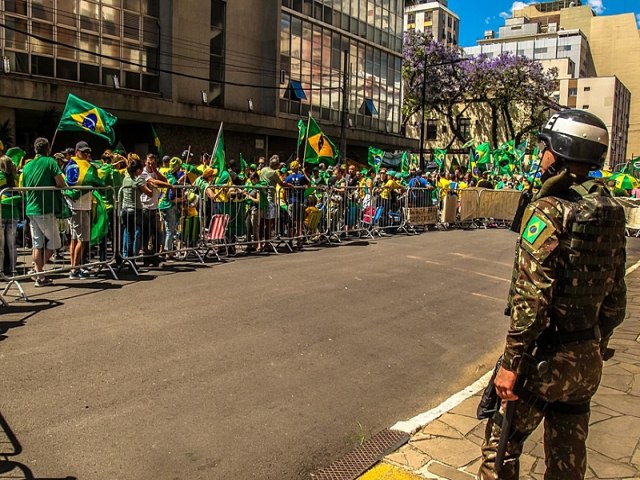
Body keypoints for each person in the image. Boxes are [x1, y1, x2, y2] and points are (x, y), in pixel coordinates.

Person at [478, 109, 627, 479]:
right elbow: (616, 299)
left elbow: (532, 302)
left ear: (559, 151)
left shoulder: (548, 211)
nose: (540, 155)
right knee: (567, 456)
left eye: (544, 147)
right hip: (586, 359)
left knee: (501, 448)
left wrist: (512, 364)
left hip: (544, 359)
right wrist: (595, 342)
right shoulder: (611, 211)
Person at [20, 137, 67, 287]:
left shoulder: (27, 166)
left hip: (31, 209)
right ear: (47, 149)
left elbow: (23, 187)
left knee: (37, 244)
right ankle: (39, 273)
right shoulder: (50, 162)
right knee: (55, 242)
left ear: (35, 149)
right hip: (44, 209)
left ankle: (39, 275)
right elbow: (61, 183)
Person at [65, 141, 104, 279]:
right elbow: (95, 181)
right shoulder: (77, 165)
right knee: (83, 238)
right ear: (77, 152)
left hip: (80, 205)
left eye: (88, 152)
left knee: (76, 238)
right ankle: (75, 269)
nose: (86, 154)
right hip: (78, 206)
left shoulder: (75, 164)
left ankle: (75, 267)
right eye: (83, 152)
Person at [0, 155, 21, 275]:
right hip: (13, 213)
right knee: (12, 245)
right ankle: (13, 270)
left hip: (1, 213)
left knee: (1, 246)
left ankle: (1, 270)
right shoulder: (15, 178)